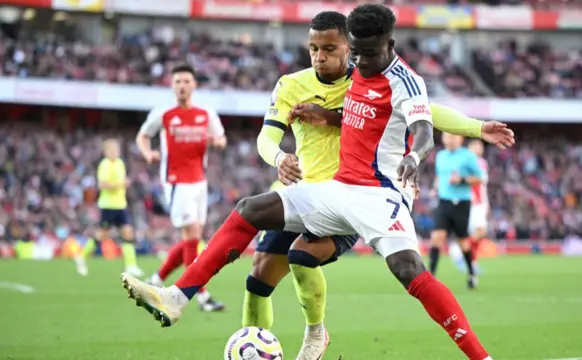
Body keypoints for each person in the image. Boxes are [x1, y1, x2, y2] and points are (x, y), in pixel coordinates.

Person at [121, 5, 513, 360]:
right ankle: (176, 297)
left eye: (365, 53)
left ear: (389, 45)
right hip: (337, 188)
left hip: (380, 196)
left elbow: (425, 124)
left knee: (409, 269)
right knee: (250, 212)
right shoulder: (354, 68)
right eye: (354, 53)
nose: (359, 62)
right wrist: (324, 120)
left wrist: (432, 147)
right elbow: (354, 112)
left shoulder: (405, 82)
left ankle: (481, 357)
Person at [136, 64, 227, 312]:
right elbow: (143, 136)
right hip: (176, 181)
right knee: (192, 238)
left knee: (192, 239)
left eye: (186, 81)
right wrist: (147, 154)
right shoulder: (164, 113)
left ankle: (155, 281)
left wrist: (217, 142)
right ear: (172, 85)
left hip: (199, 181)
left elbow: (221, 137)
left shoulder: (206, 113)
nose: (182, 85)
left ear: (194, 85)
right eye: (177, 81)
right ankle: (202, 298)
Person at [74, 138, 142, 277]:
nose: (115, 152)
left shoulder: (120, 163)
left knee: (128, 233)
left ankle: (131, 265)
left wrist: (124, 183)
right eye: (112, 150)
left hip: (121, 205)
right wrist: (121, 184)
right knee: (101, 235)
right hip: (108, 206)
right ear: (106, 152)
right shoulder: (104, 165)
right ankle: (81, 255)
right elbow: (102, 184)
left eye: (117, 149)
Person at [429, 134, 482, 289]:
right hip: (444, 201)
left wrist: (463, 180)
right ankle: (430, 277)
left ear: (460, 139)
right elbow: (440, 176)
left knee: (463, 241)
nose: (449, 138)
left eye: (453, 136)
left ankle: (471, 273)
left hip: (462, 203)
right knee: (436, 237)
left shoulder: (467, 156)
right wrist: (435, 188)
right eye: (447, 136)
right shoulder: (440, 156)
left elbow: (480, 178)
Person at [467, 139, 489, 272]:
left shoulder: (483, 163)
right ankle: (459, 251)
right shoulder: (467, 163)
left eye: (480, 146)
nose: (478, 148)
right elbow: (466, 181)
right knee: (480, 231)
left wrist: (487, 203)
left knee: (480, 233)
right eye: (475, 146)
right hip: (471, 202)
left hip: (481, 203)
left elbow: (483, 186)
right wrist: (470, 196)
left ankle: (472, 262)